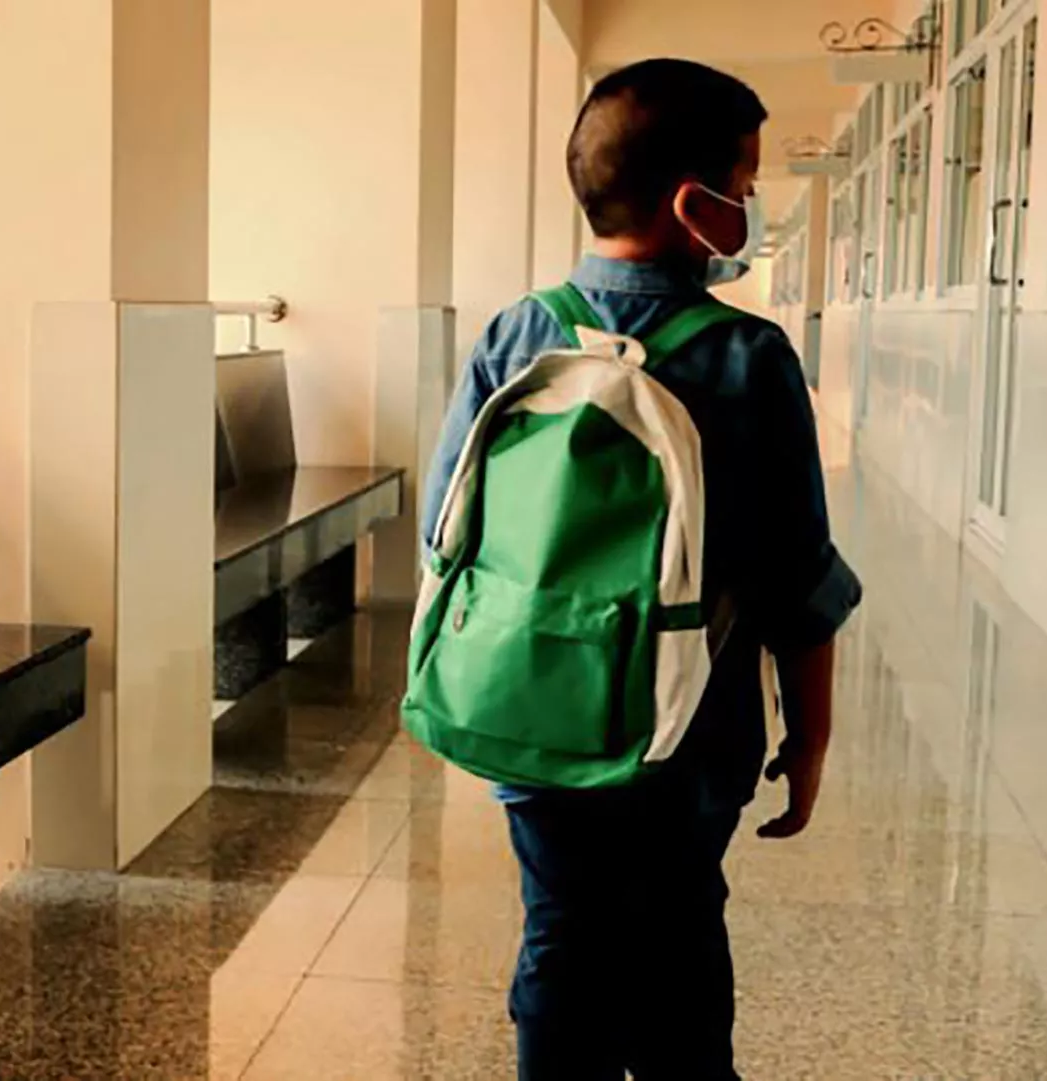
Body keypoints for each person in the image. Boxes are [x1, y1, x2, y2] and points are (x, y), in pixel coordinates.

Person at [419, 59, 863, 1079]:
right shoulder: (747, 356)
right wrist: (812, 735)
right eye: (744, 190)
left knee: (560, 925)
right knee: (678, 933)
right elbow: (800, 580)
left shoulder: (517, 333)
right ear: (692, 205)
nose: (747, 208)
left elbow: (451, 526)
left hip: (531, 703)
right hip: (689, 723)